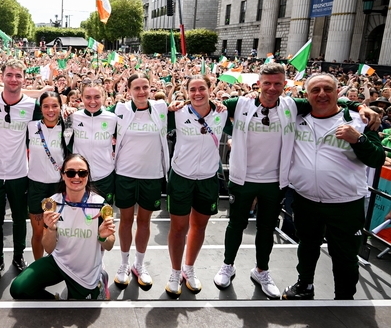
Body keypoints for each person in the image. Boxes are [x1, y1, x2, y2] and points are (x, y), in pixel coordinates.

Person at [211, 63, 378, 299]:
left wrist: (359, 105)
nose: (272, 88)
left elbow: (329, 101)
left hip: (274, 180)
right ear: (258, 84)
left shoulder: (293, 105)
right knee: (236, 225)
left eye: (278, 83)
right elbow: (205, 104)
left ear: (285, 85)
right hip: (243, 178)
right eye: (267, 83)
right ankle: (228, 265)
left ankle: (262, 270)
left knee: (266, 228)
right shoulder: (239, 103)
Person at [282, 73, 385, 300]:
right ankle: (304, 285)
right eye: (315, 90)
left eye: (327, 89)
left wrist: (359, 140)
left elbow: (377, 159)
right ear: (306, 95)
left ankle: (345, 298)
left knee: (345, 256)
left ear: (338, 92)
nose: (321, 94)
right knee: (307, 246)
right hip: (306, 199)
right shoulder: (296, 118)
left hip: (346, 203)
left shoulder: (360, 121)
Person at [10, 154, 115, 300]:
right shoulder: (53, 203)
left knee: (78, 313)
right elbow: (48, 248)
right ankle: (56, 301)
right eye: (71, 172)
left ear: (88, 175)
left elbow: (109, 245)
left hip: (85, 272)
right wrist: (51, 229)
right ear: (63, 175)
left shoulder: (99, 204)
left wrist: (103, 236)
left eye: (82, 173)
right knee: (19, 288)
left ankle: (100, 279)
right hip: (58, 262)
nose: (76, 177)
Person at [165, 75, 228, 298]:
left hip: (209, 178)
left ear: (211, 89)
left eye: (202, 88)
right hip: (181, 177)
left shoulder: (223, 111)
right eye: (193, 89)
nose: (197, 93)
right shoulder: (178, 113)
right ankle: (174, 272)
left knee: (199, 227)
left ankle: (188, 268)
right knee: (179, 228)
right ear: (187, 91)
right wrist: (172, 102)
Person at [0, 59, 42, 284]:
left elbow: (51, 115)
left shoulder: (32, 105)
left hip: (19, 172)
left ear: (24, 78)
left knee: (20, 219)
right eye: (9, 75)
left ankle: (18, 256)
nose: (13, 79)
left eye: (18, 75)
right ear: (1, 76)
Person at [113, 73, 169, 290]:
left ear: (151, 88)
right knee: (126, 221)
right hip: (125, 174)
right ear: (128, 90)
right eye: (136, 88)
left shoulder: (162, 108)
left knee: (144, 222)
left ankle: (139, 264)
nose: (142, 92)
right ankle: (124, 264)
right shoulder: (120, 109)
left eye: (145, 87)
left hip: (152, 176)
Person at [26, 91, 67, 260]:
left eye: (55, 106)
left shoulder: (68, 128)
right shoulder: (31, 126)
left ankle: (59, 265)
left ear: (61, 107)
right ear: (40, 108)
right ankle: (37, 265)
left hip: (57, 188)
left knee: (56, 230)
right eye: (46, 106)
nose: (51, 110)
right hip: (36, 186)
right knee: (37, 232)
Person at [70, 79, 118, 206]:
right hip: (78, 177)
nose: (92, 101)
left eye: (97, 97)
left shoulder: (113, 118)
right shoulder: (72, 117)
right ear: (81, 97)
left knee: (104, 220)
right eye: (88, 97)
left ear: (104, 97)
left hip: (105, 177)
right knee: (79, 220)